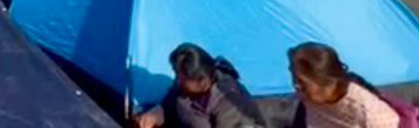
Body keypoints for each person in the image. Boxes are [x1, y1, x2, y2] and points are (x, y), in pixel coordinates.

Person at [135, 43, 265, 128]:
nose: (177, 81)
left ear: (202, 81)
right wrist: (157, 113)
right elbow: (171, 103)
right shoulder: (186, 89)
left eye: (182, 79)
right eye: (176, 75)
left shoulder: (228, 101)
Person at [288, 43, 399, 128]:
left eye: (303, 83)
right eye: (294, 79)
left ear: (328, 81)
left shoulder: (365, 110)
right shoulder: (308, 101)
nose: (296, 86)